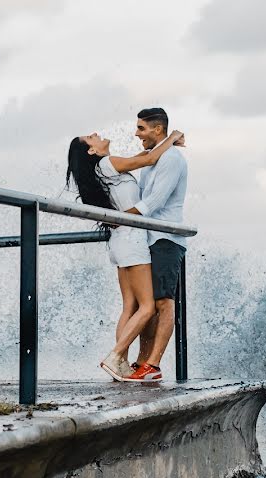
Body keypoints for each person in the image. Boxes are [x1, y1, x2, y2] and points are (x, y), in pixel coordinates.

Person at [66, 128, 185, 381]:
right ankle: (116, 356)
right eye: (90, 137)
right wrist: (172, 138)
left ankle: (119, 364)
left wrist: (158, 144)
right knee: (147, 306)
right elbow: (150, 159)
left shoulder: (102, 170)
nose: (96, 133)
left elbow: (144, 155)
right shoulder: (108, 163)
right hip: (132, 241)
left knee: (129, 307)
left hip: (119, 242)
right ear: (91, 150)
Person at [123, 108, 188, 382]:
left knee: (162, 302)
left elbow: (154, 202)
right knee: (146, 304)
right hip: (148, 238)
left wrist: (119, 219)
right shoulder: (155, 158)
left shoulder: (171, 159)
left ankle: (154, 365)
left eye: (141, 128)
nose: (137, 134)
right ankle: (141, 362)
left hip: (165, 238)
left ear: (157, 129)